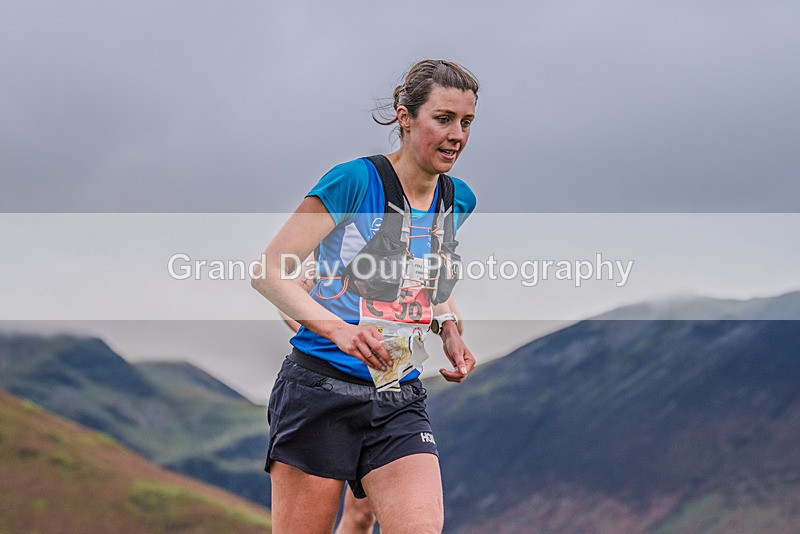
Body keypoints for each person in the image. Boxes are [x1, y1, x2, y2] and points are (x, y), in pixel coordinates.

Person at [252, 59, 479, 533]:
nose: (457, 134)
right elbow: (270, 272)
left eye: (466, 122)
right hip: (320, 392)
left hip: (398, 395)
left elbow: (425, 285)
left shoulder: (457, 200)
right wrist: (338, 330)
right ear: (405, 117)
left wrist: (450, 328)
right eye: (443, 119)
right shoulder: (354, 181)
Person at [278, 258, 466, 534]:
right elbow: (285, 298)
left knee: (366, 514)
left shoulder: (422, 246)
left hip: (394, 397)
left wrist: (446, 325)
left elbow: (448, 311)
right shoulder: (335, 248)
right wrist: (336, 338)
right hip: (327, 390)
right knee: (358, 517)